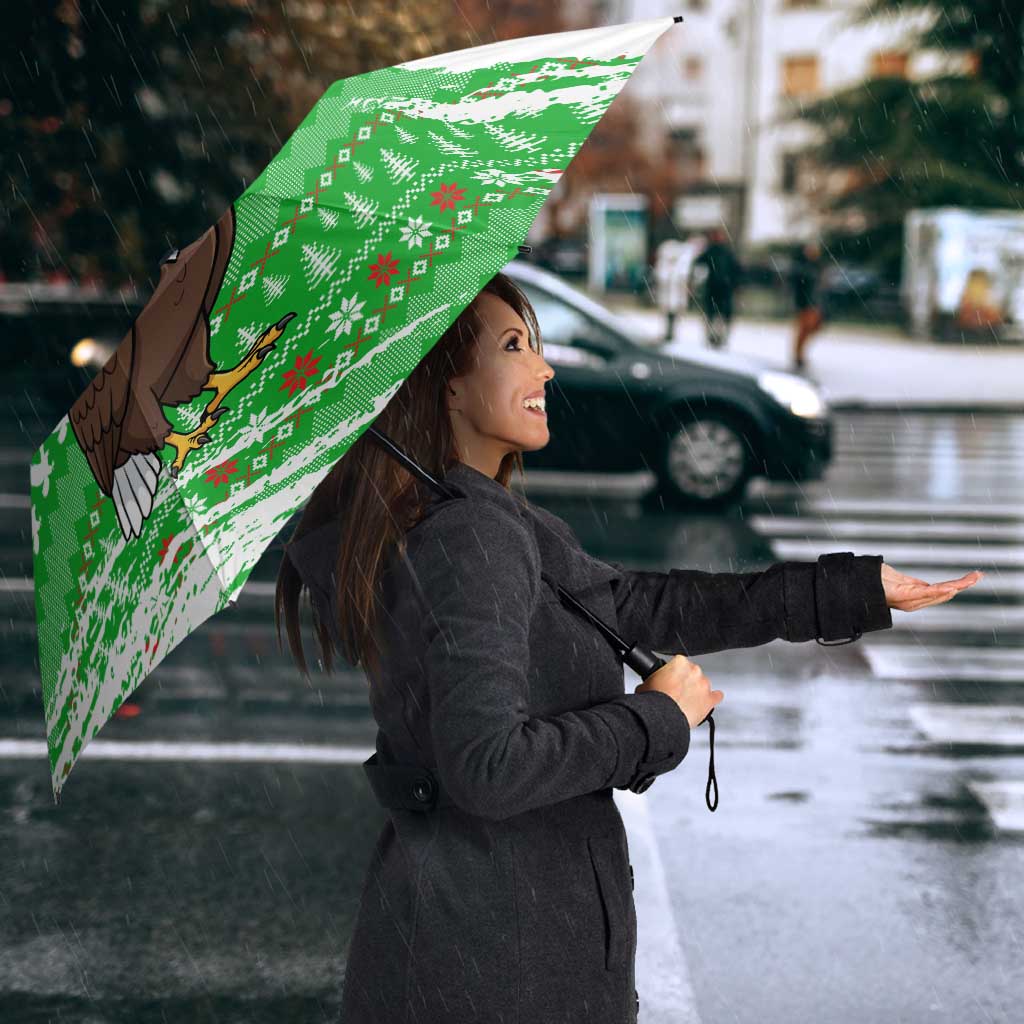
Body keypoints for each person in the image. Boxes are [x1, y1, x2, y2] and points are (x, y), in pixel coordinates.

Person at [275, 271, 941, 1024]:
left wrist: (847, 590)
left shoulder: (464, 519)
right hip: (501, 964)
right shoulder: (471, 535)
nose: (544, 369)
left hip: (466, 941)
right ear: (447, 385)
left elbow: (635, 605)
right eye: (514, 346)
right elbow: (488, 767)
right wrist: (655, 720)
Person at [692, 226, 742, 349]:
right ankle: (713, 337)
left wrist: (735, 284)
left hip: (722, 289)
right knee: (714, 314)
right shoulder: (714, 251)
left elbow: (736, 270)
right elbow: (698, 263)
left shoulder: (724, 252)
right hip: (716, 288)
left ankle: (719, 337)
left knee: (719, 315)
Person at [790, 239, 826, 371]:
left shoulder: (816, 266)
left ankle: (799, 354)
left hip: (814, 303)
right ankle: (798, 355)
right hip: (805, 303)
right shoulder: (802, 267)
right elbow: (799, 286)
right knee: (804, 329)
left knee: (812, 327)